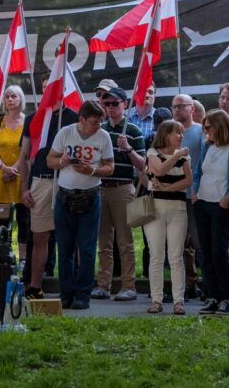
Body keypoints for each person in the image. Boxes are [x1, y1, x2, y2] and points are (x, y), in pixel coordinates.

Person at [47, 100, 115, 310]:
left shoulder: (103, 137)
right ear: (82, 119)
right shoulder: (66, 133)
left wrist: (92, 170)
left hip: (91, 196)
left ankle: (82, 295)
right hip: (65, 196)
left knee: (86, 249)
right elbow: (50, 160)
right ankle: (65, 293)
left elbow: (110, 167)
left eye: (100, 122)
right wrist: (62, 162)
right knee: (65, 248)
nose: (98, 126)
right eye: (94, 122)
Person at [19, 92, 78, 299]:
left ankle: (70, 289)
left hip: (68, 182)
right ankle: (34, 286)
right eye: (46, 88)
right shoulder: (33, 118)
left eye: (53, 86)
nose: (50, 92)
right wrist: (25, 188)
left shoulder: (75, 117)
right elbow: (24, 157)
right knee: (39, 236)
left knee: (70, 238)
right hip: (40, 181)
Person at [192, 110, 229, 315]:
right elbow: (198, 171)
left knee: (219, 252)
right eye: (204, 128)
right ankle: (211, 296)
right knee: (205, 253)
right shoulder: (208, 146)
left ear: (220, 126)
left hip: (223, 206)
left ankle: (225, 298)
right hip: (203, 204)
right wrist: (195, 192)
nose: (206, 131)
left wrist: (228, 198)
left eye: (208, 127)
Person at [92, 87, 145, 302]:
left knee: (125, 241)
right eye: (107, 104)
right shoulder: (99, 130)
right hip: (101, 188)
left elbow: (143, 166)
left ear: (125, 104)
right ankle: (103, 285)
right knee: (103, 242)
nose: (111, 107)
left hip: (123, 188)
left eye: (115, 103)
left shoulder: (132, 130)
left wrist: (128, 149)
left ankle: (128, 285)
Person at [142, 120, 193, 314]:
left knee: (176, 256)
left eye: (182, 133)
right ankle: (157, 300)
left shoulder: (185, 158)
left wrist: (167, 187)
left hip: (178, 210)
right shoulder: (152, 153)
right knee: (156, 255)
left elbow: (188, 181)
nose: (181, 136)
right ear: (165, 135)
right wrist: (178, 155)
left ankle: (178, 301)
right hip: (155, 210)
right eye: (176, 133)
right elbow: (159, 170)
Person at [0, 85, 27, 270]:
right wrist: (4, 168)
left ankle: (23, 260)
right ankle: (1, 255)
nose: (10, 99)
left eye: (14, 96)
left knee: (23, 219)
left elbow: (28, 150)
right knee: (2, 219)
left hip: (21, 176)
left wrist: (14, 169)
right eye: (7, 96)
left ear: (21, 100)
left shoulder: (28, 122)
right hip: (1, 176)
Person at [170, 94, 204, 301]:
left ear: (192, 108)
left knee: (199, 243)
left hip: (193, 195)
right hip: (172, 194)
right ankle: (183, 286)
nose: (177, 110)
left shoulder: (201, 132)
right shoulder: (167, 132)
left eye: (182, 106)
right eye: (174, 107)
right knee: (176, 244)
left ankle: (205, 285)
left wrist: (197, 188)